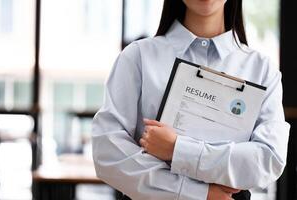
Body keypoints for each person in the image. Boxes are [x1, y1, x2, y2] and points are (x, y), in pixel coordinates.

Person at [92, 0, 290, 199]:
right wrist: (199, 194)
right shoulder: (138, 57)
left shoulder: (262, 70)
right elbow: (108, 152)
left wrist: (177, 150)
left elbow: (269, 159)